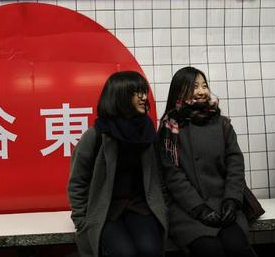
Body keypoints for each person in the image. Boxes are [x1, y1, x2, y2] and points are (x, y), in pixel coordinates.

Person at [157, 66, 257, 257]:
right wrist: (199, 208)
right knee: (210, 250)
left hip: (222, 203)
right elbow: (172, 175)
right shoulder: (169, 128)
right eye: (195, 86)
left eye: (204, 85)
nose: (202, 91)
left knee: (238, 247)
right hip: (187, 210)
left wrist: (232, 200)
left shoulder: (222, 124)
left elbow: (235, 164)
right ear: (180, 90)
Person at [67, 71, 168, 257]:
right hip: (106, 211)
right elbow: (77, 183)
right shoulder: (96, 135)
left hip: (140, 207)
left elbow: (158, 175)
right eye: (136, 92)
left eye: (143, 91)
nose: (144, 97)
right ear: (120, 96)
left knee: (151, 250)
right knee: (124, 253)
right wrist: (81, 221)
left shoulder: (147, 131)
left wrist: (163, 206)